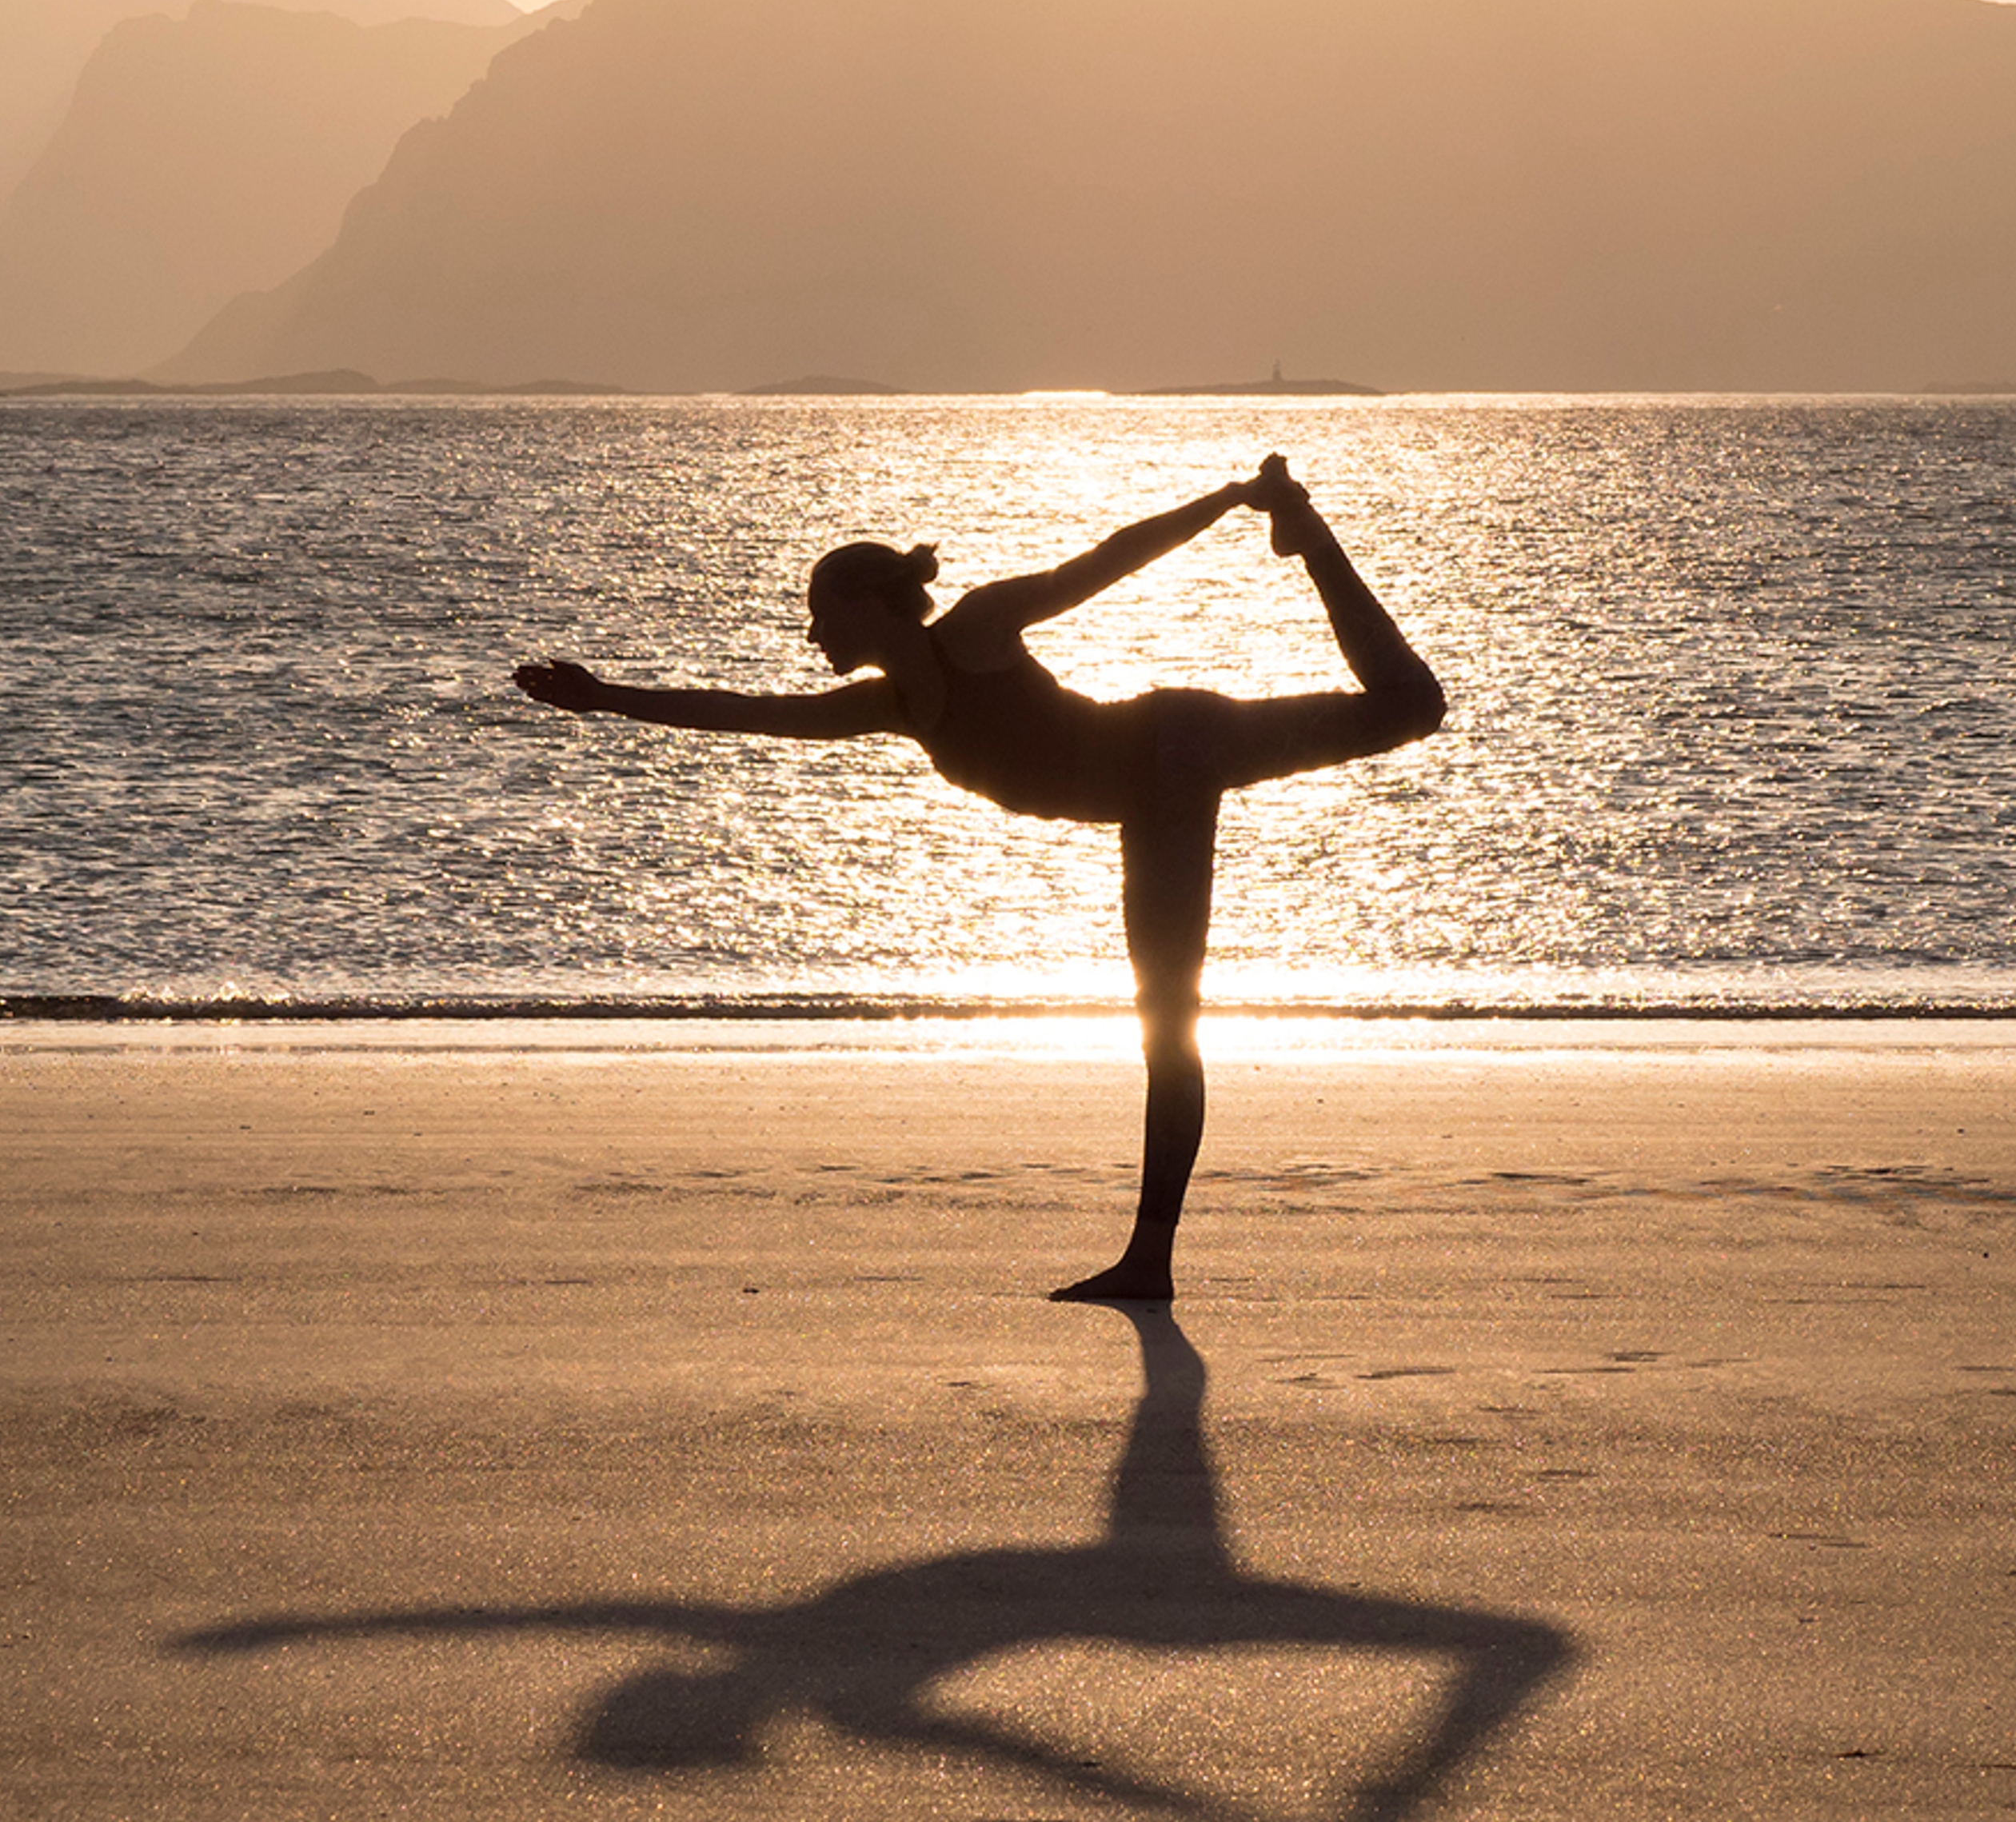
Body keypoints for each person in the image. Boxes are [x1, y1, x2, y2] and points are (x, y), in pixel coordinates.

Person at [511, 455, 1444, 1301]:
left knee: (1403, 716)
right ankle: (1149, 1261)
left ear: (871, 606)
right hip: (1151, 788)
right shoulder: (890, 708)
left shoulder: (982, 628)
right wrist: (605, 701)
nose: (811, 634)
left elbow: (1111, 559)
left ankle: (1298, 521)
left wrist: (1231, 500)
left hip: (1174, 750)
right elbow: (749, 714)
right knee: (1168, 1018)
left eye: (820, 615)